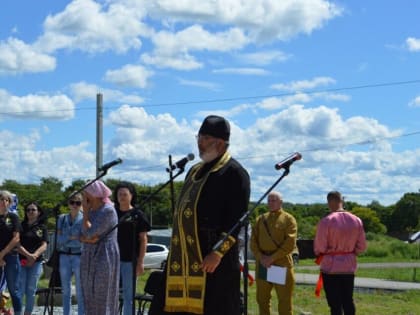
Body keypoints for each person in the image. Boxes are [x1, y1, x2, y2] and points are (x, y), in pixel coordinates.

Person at [150, 115, 250, 315]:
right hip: (183, 258)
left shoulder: (235, 173)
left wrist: (217, 252)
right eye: (199, 138)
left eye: (204, 139)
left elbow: (236, 221)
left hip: (212, 259)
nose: (199, 143)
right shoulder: (194, 170)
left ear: (220, 143)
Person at [314, 191, 367, 315]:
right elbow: (362, 246)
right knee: (348, 300)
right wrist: (350, 253)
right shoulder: (356, 220)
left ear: (329, 202)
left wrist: (324, 253)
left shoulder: (326, 221)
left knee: (335, 304)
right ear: (341, 200)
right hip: (349, 266)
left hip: (330, 268)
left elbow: (320, 247)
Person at [250, 191, 297, 315]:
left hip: (281, 264)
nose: (270, 203)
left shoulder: (288, 219)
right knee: (262, 299)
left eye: (274, 200)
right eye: (269, 200)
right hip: (263, 264)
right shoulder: (260, 219)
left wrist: (272, 258)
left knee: (284, 301)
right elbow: (253, 241)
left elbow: (290, 243)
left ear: (281, 202)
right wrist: (261, 257)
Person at [80, 180, 120, 315]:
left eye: (84, 193)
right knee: (88, 293)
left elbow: (90, 235)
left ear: (93, 194)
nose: (82, 197)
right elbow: (82, 235)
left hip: (104, 254)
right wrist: (88, 237)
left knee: (101, 293)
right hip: (88, 255)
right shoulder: (92, 211)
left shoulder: (108, 211)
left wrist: (84, 213)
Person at [114, 181, 151, 315]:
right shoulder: (111, 213)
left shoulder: (138, 214)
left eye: (125, 194)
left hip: (130, 261)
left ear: (131, 196)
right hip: (112, 260)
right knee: (111, 294)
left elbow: (143, 239)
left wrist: (140, 262)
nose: (122, 197)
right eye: (119, 194)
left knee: (129, 296)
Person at [18, 202, 48, 315]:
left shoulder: (42, 227)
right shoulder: (21, 226)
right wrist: (28, 255)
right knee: (20, 290)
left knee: (31, 290)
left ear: (38, 212)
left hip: (36, 262)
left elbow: (44, 245)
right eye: (28, 210)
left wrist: (34, 256)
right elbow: (17, 243)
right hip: (21, 261)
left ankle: (28, 313)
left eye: (33, 210)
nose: (30, 212)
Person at [57, 192, 85, 315]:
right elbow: (59, 240)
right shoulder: (61, 218)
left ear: (81, 204)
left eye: (78, 203)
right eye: (72, 202)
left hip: (79, 256)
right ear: (68, 203)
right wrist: (73, 237)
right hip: (64, 256)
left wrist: (67, 237)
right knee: (66, 290)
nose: (74, 205)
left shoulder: (85, 218)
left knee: (80, 290)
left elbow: (83, 241)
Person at [0, 190, 22, 315]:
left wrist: (2, 254)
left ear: (9, 203)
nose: (4, 202)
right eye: (1, 199)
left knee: (14, 290)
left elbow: (16, 238)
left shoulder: (13, 217)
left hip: (11, 256)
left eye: (6, 200)